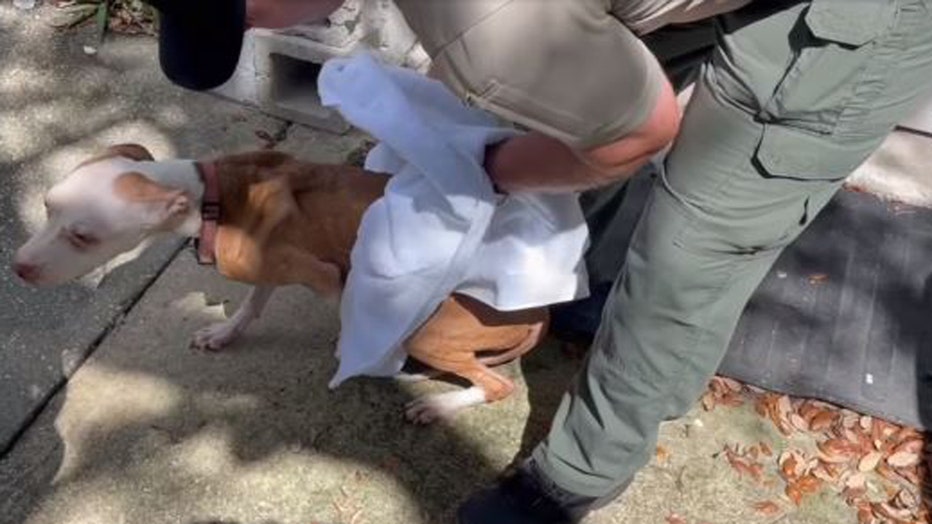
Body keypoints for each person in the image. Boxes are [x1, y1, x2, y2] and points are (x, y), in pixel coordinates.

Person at [147, 0, 932, 522]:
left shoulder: (484, 22)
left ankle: (580, 475)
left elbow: (640, 135)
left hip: (849, 16)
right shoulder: (484, 30)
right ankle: (583, 289)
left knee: (690, 246)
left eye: (240, 10)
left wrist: (484, 167)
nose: (255, 27)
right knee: (552, 126)